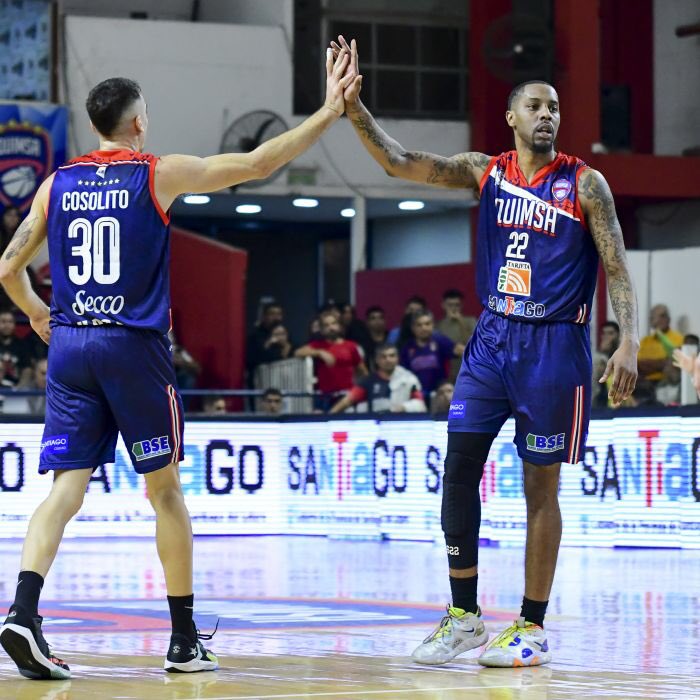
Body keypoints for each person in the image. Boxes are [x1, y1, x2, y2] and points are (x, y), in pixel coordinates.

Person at [0, 50, 358, 680]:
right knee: (164, 492)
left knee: (64, 491)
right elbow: (257, 163)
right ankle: (184, 640)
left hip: (72, 346)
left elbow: (8, 267)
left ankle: (22, 611)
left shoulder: (57, 184)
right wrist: (330, 112)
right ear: (139, 122)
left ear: (95, 124)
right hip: (132, 348)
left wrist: (35, 313)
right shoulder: (156, 173)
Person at [333, 35, 638, 668]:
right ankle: (464, 616)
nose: (547, 115)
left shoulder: (586, 184)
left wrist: (628, 340)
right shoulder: (485, 170)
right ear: (511, 118)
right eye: (535, 106)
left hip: (555, 346)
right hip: (492, 340)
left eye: (554, 107)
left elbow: (617, 266)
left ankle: (531, 625)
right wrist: (354, 108)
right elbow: (399, 162)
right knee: (458, 471)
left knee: (539, 489)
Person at [294, 309, 367, 411]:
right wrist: (319, 352)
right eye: (326, 325)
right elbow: (297, 352)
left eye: (333, 323)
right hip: (325, 397)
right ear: (322, 329)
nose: (331, 327)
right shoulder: (317, 345)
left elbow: (363, 371)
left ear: (340, 326)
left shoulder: (351, 346)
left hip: (346, 397)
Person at [330, 343, 426, 414]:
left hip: (400, 425)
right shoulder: (368, 381)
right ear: (377, 360)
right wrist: (329, 416)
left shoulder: (409, 379)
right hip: (374, 427)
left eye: (392, 356)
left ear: (398, 358)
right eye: (383, 357)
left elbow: (420, 404)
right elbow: (348, 400)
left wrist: (403, 407)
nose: (388, 360)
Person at [399, 310, 464, 404]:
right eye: (419, 325)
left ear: (433, 325)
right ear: (413, 328)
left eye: (427, 324)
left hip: (440, 394)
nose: (424, 328)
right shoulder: (407, 348)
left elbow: (463, 351)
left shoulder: (440, 341)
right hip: (416, 396)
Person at [436, 289, 476, 382]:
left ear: (461, 305)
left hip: (467, 371)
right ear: (443, 305)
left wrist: (460, 321)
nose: (453, 308)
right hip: (447, 373)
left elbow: (474, 343)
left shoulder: (470, 321)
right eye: (450, 305)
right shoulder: (438, 326)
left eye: (457, 305)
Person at [637, 304, 683, 384]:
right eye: (656, 317)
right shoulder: (644, 341)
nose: (660, 320)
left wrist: (650, 364)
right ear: (651, 321)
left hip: (669, 383)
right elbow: (638, 365)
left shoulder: (680, 339)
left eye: (663, 316)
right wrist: (663, 363)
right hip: (645, 384)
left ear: (669, 318)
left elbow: (678, 364)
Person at [246, 302, 285, 373]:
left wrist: (285, 345)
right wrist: (269, 343)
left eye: (279, 314)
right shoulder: (255, 337)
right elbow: (252, 360)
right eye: (272, 314)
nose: (276, 317)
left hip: (281, 376)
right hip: (261, 377)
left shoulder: (285, 335)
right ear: (264, 317)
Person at [0, 308, 32, 387]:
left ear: (14, 324)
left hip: (15, 389)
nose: (7, 325)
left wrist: (19, 389)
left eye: (10, 322)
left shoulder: (22, 345)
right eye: (3, 321)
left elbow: (27, 369)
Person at [592, 320, 620, 408]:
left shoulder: (624, 353)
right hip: (601, 395)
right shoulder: (598, 356)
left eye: (610, 333)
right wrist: (602, 353)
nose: (606, 337)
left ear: (618, 336)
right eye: (604, 334)